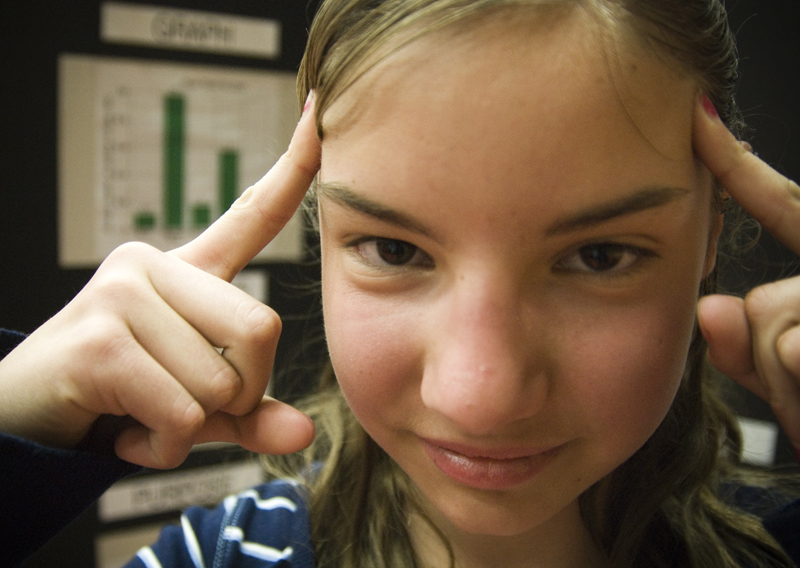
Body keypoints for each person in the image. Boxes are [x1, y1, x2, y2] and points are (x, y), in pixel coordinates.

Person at [2, 0, 800, 566]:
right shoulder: (222, 558)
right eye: (393, 248)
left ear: (711, 237)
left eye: (599, 257)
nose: (478, 397)